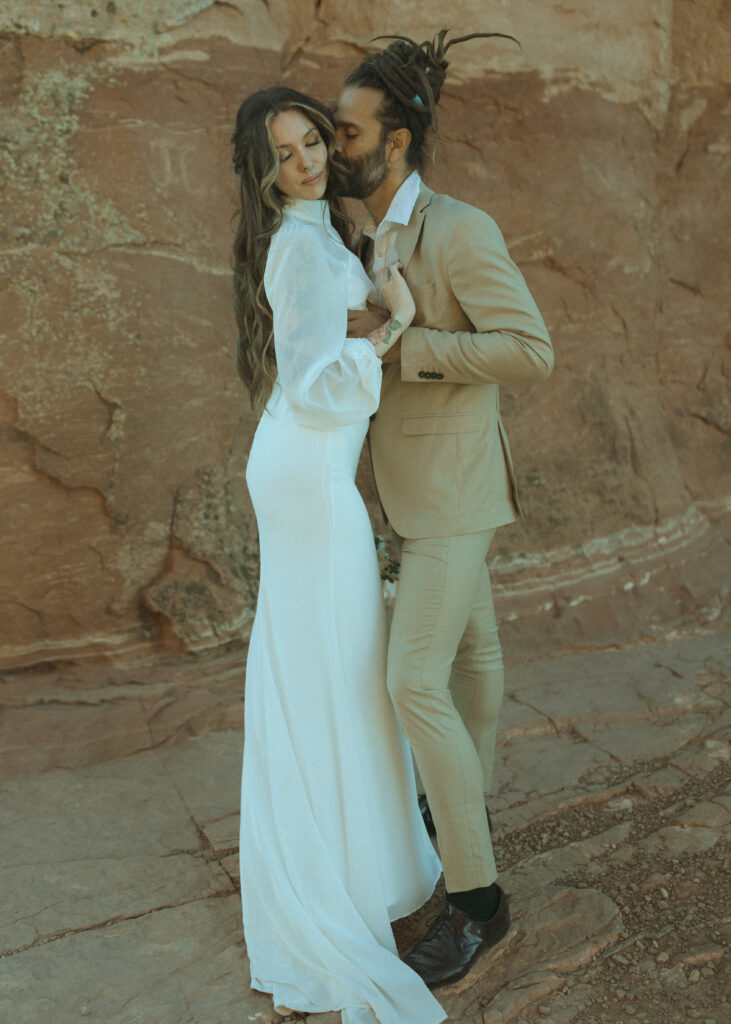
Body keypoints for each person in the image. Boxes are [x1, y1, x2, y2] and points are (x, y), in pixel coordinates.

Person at [335, 30, 555, 988]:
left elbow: (528, 350)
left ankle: (477, 903)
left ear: (397, 140)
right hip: (422, 488)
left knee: (410, 681)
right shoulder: (367, 233)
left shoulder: (458, 228)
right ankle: (463, 810)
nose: (332, 144)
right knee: (473, 657)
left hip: (455, 487)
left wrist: (409, 348)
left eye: (345, 130)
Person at [231, 87, 447, 1024]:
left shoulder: (319, 233)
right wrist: (392, 323)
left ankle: (358, 868)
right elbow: (319, 386)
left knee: (333, 666)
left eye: (312, 140)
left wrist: (372, 291)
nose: (308, 161)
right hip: (309, 477)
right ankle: (336, 896)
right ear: (262, 171)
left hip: (305, 472)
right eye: (285, 154)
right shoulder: (294, 246)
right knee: (333, 669)